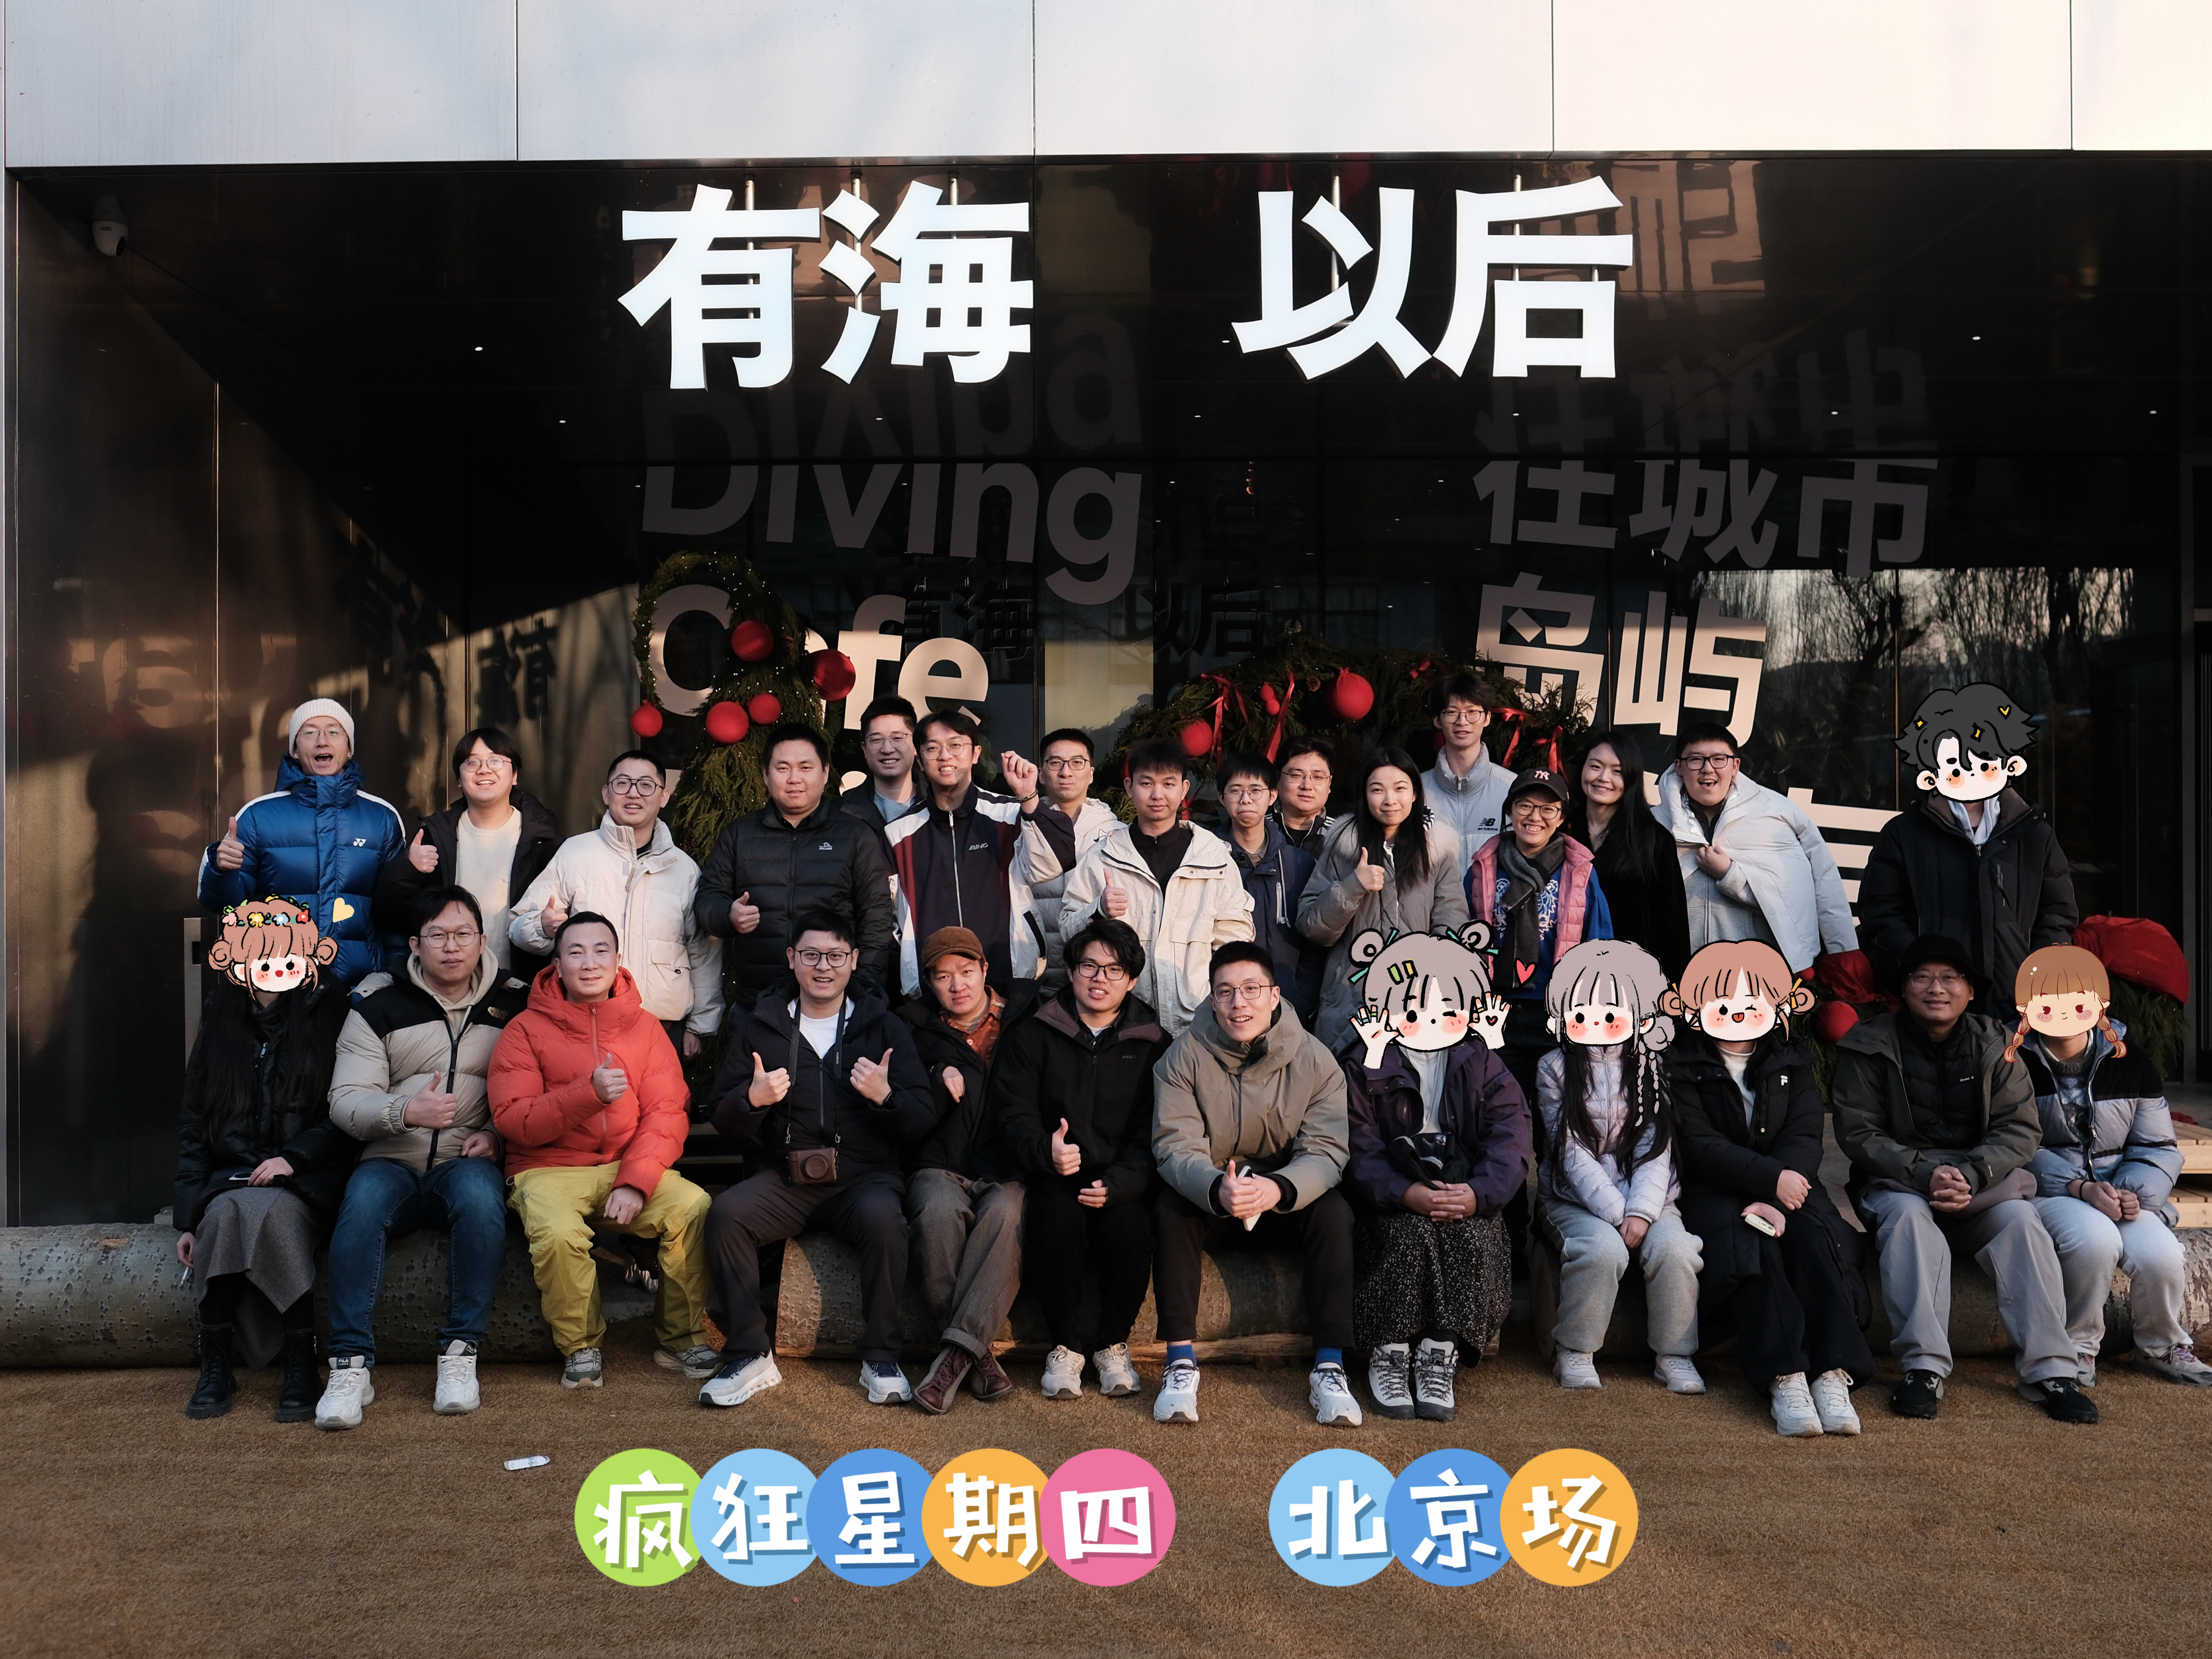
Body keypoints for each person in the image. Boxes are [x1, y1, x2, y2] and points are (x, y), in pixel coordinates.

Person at [1829, 934, 2096, 1423]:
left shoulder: (1999, 1044)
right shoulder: (1869, 1044)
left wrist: (1971, 1174)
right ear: (1903, 988)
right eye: (1922, 977)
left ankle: (2052, 1370)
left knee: (2021, 1222)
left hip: (1983, 1182)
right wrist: (1926, 1173)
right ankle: (1923, 1368)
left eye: (1950, 977)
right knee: (1909, 1219)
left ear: (1970, 990)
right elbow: (1859, 1131)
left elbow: (2019, 1128)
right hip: (1899, 1181)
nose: (1937, 988)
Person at [698, 911, 934, 1409]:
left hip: (864, 1179)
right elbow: (722, 1116)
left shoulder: (884, 1025)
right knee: (727, 1215)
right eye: (810, 955)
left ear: (854, 960)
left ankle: (881, 1356)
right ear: (792, 959)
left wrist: (887, 1097)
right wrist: (752, 1100)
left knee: (887, 1222)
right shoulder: (763, 1025)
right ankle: (750, 1352)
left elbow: (921, 1118)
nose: (822, 966)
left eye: (834, 956)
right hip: (786, 1179)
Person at [317, 885, 531, 1428]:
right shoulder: (377, 1003)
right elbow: (345, 1100)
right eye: (438, 935)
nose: (451, 946)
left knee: (482, 1198)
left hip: (465, 1158)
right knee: (360, 1205)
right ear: (415, 943)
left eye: (463, 934)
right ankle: (349, 1364)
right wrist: (405, 1110)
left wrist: (497, 1137)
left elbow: (537, 1089)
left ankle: (460, 1353)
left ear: (483, 940)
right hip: (390, 1156)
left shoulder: (517, 1003)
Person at [489, 912, 714, 1391]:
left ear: (617, 960)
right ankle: (581, 1345)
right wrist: (587, 1094)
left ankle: (682, 1338)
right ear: (557, 964)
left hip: (625, 1164)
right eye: (576, 952)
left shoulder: (645, 1027)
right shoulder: (524, 1029)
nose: (589, 963)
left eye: (600, 951)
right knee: (558, 1232)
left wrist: (636, 1180)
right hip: (547, 1168)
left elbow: (668, 1111)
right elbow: (514, 1119)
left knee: (692, 1206)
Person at [1666, 939, 1875, 1437]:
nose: (1737, 1013)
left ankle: (1832, 1372)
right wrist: (1767, 1182)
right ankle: (1786, 1377)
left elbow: (1805, 1132)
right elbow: (1697, 1143)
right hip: (1714, 1190)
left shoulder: (1791, 1058)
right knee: (1752, 1245)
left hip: (1791, 1185)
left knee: (1814, 1240)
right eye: (1721, 1003)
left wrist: (1780, 1188)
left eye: (1751, 1001)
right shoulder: (1678, 1063)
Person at [1150, 941, 1361, 1426]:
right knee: (1170, 1209)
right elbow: (1175, 1144)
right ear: (1211, 998)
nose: (1238, 1003)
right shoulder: (1182, 1056)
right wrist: (1215, 1188)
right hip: (1216, 1194)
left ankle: (1330, 1365)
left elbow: (1326, 1150)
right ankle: (1180, 1361)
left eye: (1251, 989)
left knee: (1334, 1211)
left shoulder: (1316, 1060)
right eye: (1225, 992)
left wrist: (1279, 1188)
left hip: (1283, 1197)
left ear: (1274, 995)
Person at [174, 898, 358, 1421]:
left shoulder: (330, 1010)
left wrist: (293, 1159)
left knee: (272, 1214)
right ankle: (216, 1362)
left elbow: (348, 1108)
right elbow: (195, 1120)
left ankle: (302, 1359)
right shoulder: (222, 1014)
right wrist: (187, 1217)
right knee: (224, 1213)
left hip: (308, 1177)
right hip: (231, 1176)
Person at [1342, 927, 1530, 1422]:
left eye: (1446, 1007)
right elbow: (1356, 1143)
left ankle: (1439, 1352)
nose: (1429, 1018)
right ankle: (1389, 1349)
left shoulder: (1483, 1062)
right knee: (1405, 1235)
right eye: (1413, 1008)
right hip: (1391, 1193)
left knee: (1472, 1234)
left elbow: (1511, 1137)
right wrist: (1405, 1192)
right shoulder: (1364, 1062)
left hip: (1463, 1184)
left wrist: (1477, 1194)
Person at [2006, 945, 2210, 1386]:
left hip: (2120, 1188)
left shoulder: (2129, 1059)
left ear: (2100, 1002)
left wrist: (2134, 1192)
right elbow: (2012, 1142)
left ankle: (2162, 1346)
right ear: (2026, 1006)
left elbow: (2157, 1144)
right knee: (2094, 1242)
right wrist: (2080, 1187)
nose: (2064, 1012)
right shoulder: (2010, 1059)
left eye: (2077, 1000)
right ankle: (2078, 1345)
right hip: (2049, 1188)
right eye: (2048, 1002)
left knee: (2160, 1253)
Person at [996, 918, 1169, 1401]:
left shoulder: (1154, 1042)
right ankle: (1066, 1346)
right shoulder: (1034, 1032)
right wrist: (1045, 1150)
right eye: (1089, 966)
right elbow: (1011, 1113)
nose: (1099, 978)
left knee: (1131, 1228)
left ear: (1132, 980)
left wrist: (1123, 1182)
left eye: (1114, 969)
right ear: (1071, 971)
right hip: (1055, 1172)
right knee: (1054, 1219)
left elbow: (1160, 1129)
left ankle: (1113, 1345)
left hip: (1122, 1178)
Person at [1534, 940, 1705, 1393]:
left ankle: (1674, 1353)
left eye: (1612, 1013)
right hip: (1573, 1197)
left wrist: (1642, 1211)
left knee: (1676, 1249)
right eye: (1583, 1011)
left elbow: (1655, 1145)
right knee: (1602, 1250)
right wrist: (1615, 1211)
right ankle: (1575, 1349)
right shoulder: (1553, 1067)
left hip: (1650, 1195)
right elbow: (1569, 1149)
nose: (1597, 1022)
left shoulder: (1652, 1065)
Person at [1859, 683, 2077, 1019]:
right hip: (1933, 1011)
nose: (1971, 774)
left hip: (2015, 1008)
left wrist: (2038, 978)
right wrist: (1922, 967)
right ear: (1930, 775)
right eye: (1955, 769)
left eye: (1986, 764)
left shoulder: (2035, 835)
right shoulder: (1903, 835)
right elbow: (1881, 912)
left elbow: (2057, 915)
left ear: (2011, 765)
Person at [900, 926, 1041, 1413]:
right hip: (939, 1163)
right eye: (943, 977)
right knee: (937, 1213)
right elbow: (901, 1102)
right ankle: (976, 1355)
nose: (956, 985)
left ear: (985, 970)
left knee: (1008, 1215)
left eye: (965, 971)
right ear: (929, 983)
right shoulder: (913, 1028)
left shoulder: (1027, 1016)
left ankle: (952, 1359)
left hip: (1008, 1167)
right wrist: (935, 1077)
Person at [509, 750, 722, 1058]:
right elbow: (518, 925)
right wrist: (542, 927)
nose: (633, 793)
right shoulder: (576, 853)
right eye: (622, 784)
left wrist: (700, 1026)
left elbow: (703, 952)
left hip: (661, 1026)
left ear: (664, 797)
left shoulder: (684, 869)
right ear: (606, 793)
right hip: (586, 1024)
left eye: (646, 785)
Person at [1051, 741, 1255, 1038]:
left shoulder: (1213, 858)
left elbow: (1236, 939)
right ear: (1129, 787)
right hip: (1122, 1024)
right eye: (1146, 783)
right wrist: (1098, 910)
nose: (1157, 795)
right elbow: (1067, 930)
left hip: (1198, 1022)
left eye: (1168, 784)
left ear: (1184, 789)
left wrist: (1221, 999)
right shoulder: (1103, 856)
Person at [199, 697, 407, 986]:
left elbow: (397, 916)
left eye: (333, 732)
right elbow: (227, 908)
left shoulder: (382, 818)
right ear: (295, 751)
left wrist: (395, 982)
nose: (322, 741)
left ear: (349, 749)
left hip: (361, 989)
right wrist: (221, 871)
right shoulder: (258, 816)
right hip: (281, 985)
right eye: (310, 733)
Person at [693, 723, 897, 1004]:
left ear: (825, 773)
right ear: (766, 775)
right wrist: (728, 916)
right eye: (783, 768)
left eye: (805, 767)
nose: (794, 779)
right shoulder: (740, 834)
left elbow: (877, 917)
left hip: (834, 1001)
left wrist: (861, 992)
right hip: (759, 1000)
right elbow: (707, 899)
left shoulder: (854, 835)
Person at [884, 709, 1075, 993]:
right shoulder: (899, 833)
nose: (945, 756)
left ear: (975, 754)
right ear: (920, 760)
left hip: (1010, 976)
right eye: (933, 748)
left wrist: (1029, 798)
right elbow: (884, 915)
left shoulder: (1010, 814)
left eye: (955, 745)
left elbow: (1052, 866)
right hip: (933, 987)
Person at [1297, 747, 1468, 1056]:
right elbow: (1312, 927)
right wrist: (1353, 887)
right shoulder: (1342, 846)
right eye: (1377, 790)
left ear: (1415, 793)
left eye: (1400, 788)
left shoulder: (1437, 852)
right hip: (1349, 1003)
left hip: (1417, 1008)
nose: (1390, 799)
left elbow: (1452, 928)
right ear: (1364, 795)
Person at [1652, 723, 1856, 973]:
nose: (1708, 769)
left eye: (1719, 759)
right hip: (1679, 975)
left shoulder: (1775, 813)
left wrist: (1730, 875)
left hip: (1759, 976)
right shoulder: (1653, 824)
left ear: (1735, 766)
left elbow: (1800, 894)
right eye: (1696, 760)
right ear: (1679, 767)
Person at [1467, 766, 1614, 1102]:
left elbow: (1600, 944)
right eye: (1525, 806)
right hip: (1497, 1011)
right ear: (1510, 811)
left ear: (1561, 818)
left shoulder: (1579, 872)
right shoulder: (1483, 869)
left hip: (1556, 1012)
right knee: (1502, 1109)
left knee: (1557, 1112)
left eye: (1548, 809)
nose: (1535, 817)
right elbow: (1465, 936)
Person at [374, 725, 562, 978]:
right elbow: (389, 914)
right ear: (459, 779)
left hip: (521, 983)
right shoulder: (435, 838)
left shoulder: (544, 840)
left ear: (515, 775)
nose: (484, 770)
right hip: (450, 984)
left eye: (495, 761)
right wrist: (408, 870)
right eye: (472, 762)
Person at [1571, 730, 1692, 978]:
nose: (1604, 778)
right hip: (1567, 975)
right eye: (1595, 766)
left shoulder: (1654, 840)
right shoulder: (1562, 831)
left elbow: (1672, 926)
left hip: (1632, 981)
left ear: (1632, 778)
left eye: (1618, 771)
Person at [1218, 752, 1324, 1023]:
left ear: (1272, 795)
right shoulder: (1209, 861)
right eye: (1235, 791)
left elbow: (1313, 943)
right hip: (1229, 1007)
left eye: (1256, 791)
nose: (1246, 799)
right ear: (1222, 798)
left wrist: (1303, 1000)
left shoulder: (1299, 864)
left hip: (1290, 1007)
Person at [1023, 728, 1121, 988]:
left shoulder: (1117, 834)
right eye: (1055, 763)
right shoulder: (1022, 827)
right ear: (1040, 773)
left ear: (1091, 773)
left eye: (1077, 763)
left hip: (1098, 976)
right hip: (1033, 976)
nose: (1066, 772)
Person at [1423, 674, 1516, 877]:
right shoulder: (1414, 792)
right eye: (1452, 712)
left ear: (1487, 718)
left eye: (1472, 712)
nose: (1462, 721)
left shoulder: (1513, 789)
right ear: (1437, 720)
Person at [841, 694, 927, 856]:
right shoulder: (842, 813)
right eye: (876, 740)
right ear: (864, 749)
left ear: (916, 745)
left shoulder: (938, 808)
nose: (887, 749)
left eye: (897, 738)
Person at [1272, 739, 1337, 856]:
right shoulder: (1256, 830)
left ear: (1329, 783)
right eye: (1296, 775)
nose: (1307, 786)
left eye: (1318, 777)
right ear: (1278, 779)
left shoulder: (1344, 835)